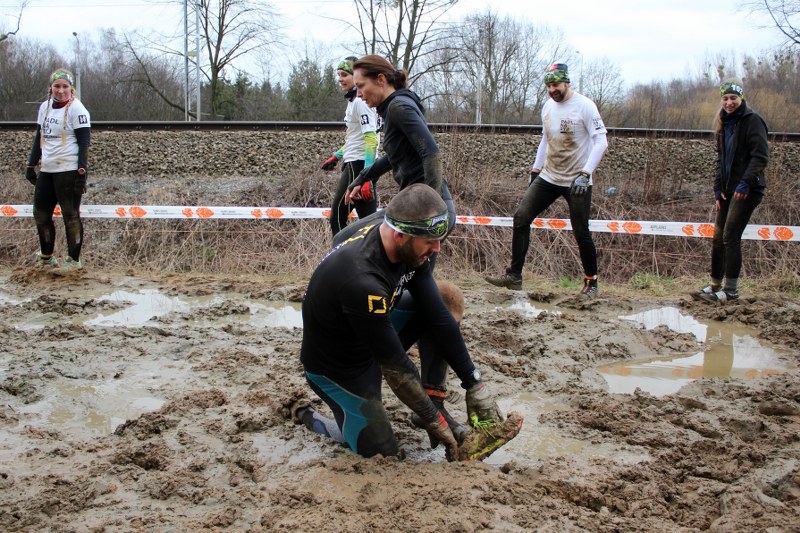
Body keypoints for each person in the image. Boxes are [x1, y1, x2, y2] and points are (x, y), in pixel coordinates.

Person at [297, 183, 502, 461]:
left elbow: (438, 314)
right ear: (400, 235)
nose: (437, 248)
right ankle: (309, 416)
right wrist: (434, 420)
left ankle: (435, 398)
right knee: (383, 454)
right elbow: (398, 368)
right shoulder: (362, 280)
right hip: (340, 370)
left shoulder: (403, 231)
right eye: (429, 242)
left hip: (373, 329)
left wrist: (474, 384)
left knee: (447, 297)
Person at [485, 62, 607, 296]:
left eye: (556, 85)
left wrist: (585, 174)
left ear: (567, 83)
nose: (552, 90)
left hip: (576, 180)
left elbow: (601, 141)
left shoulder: (585, 106)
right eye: (548, 86)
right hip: (549, 176)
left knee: (581, 230)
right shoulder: (548, 107)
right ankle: (514, 276)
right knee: (521, 217)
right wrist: (535, 170)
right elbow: (545, 139)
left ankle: (591, 283)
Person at [345, 55, 456, 235]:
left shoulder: (398, 107)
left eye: (361, 86)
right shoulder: (395, 107)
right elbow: (394, 156)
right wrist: (362, 178)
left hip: (429, 210)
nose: (358, 94)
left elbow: (432, 154)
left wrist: (430, 207)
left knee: (353, 237)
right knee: (351, 236)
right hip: (415, 203)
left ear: (381, 79)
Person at [694, 80, 768, 304]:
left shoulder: (752, 121)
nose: (729, 103)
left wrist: (745, 182)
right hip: (728, 190)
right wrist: (718, 189)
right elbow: (721, 160)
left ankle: (731, 291)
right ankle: (715, 284)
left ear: (741, 98)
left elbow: (760, 156)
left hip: (748, 189)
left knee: (730, 236)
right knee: (718, 237)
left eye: (733, 98)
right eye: (725, 99)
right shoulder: (724, 122)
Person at [25, 68, 91, 272]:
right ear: (51, 87)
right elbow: (39, 137)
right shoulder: (44, 107)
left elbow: (84, 143)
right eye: (57, 86)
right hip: (48, 168)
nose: (61, 90)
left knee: (70, 215)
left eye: (65, 86)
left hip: (68, 168)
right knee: (41, 214)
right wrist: (31, 164)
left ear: (71, 88)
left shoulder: (77, 109)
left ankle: (73, 261)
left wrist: (82, 171)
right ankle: (47, 257)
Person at [320, 56, 379, 237]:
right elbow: (355, 138)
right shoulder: (354, 101)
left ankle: (342, 253)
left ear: (357, 76)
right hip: (357, 162)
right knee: (369, 224)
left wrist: (366, 177)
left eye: (344, 74)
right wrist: (337, 156)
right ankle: (373, 253)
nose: (340, 79)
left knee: (337, 219)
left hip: (358, 165)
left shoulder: (360, 102)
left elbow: (371, 139)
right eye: (338, 74)